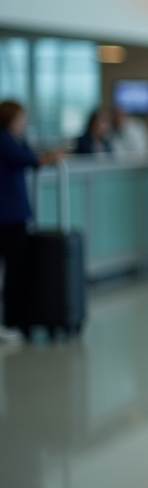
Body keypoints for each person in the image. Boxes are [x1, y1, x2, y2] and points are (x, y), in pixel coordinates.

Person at [0, 101, 61, 342]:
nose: (23, 125)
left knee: (13, 270)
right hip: (9, 217)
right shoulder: (4, 140)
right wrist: (48, 157)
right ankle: (10, 321)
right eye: (20, 120)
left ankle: (13, 319)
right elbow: (27, 159)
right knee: (13, 270)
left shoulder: (10, 139)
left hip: (11, 215)